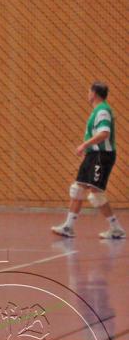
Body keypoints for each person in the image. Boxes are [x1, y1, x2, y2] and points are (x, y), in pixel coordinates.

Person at [52, 82, 124, 239]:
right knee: (78, 189)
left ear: (94, 93)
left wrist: (84, 145)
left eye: (89, 91)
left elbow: (104, 133)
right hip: (93, 155)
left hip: (102, 156)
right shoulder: (97, 110)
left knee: (96, 194)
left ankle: (116, 229)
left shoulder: (102, 110)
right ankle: (68, 227)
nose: (88, 94)